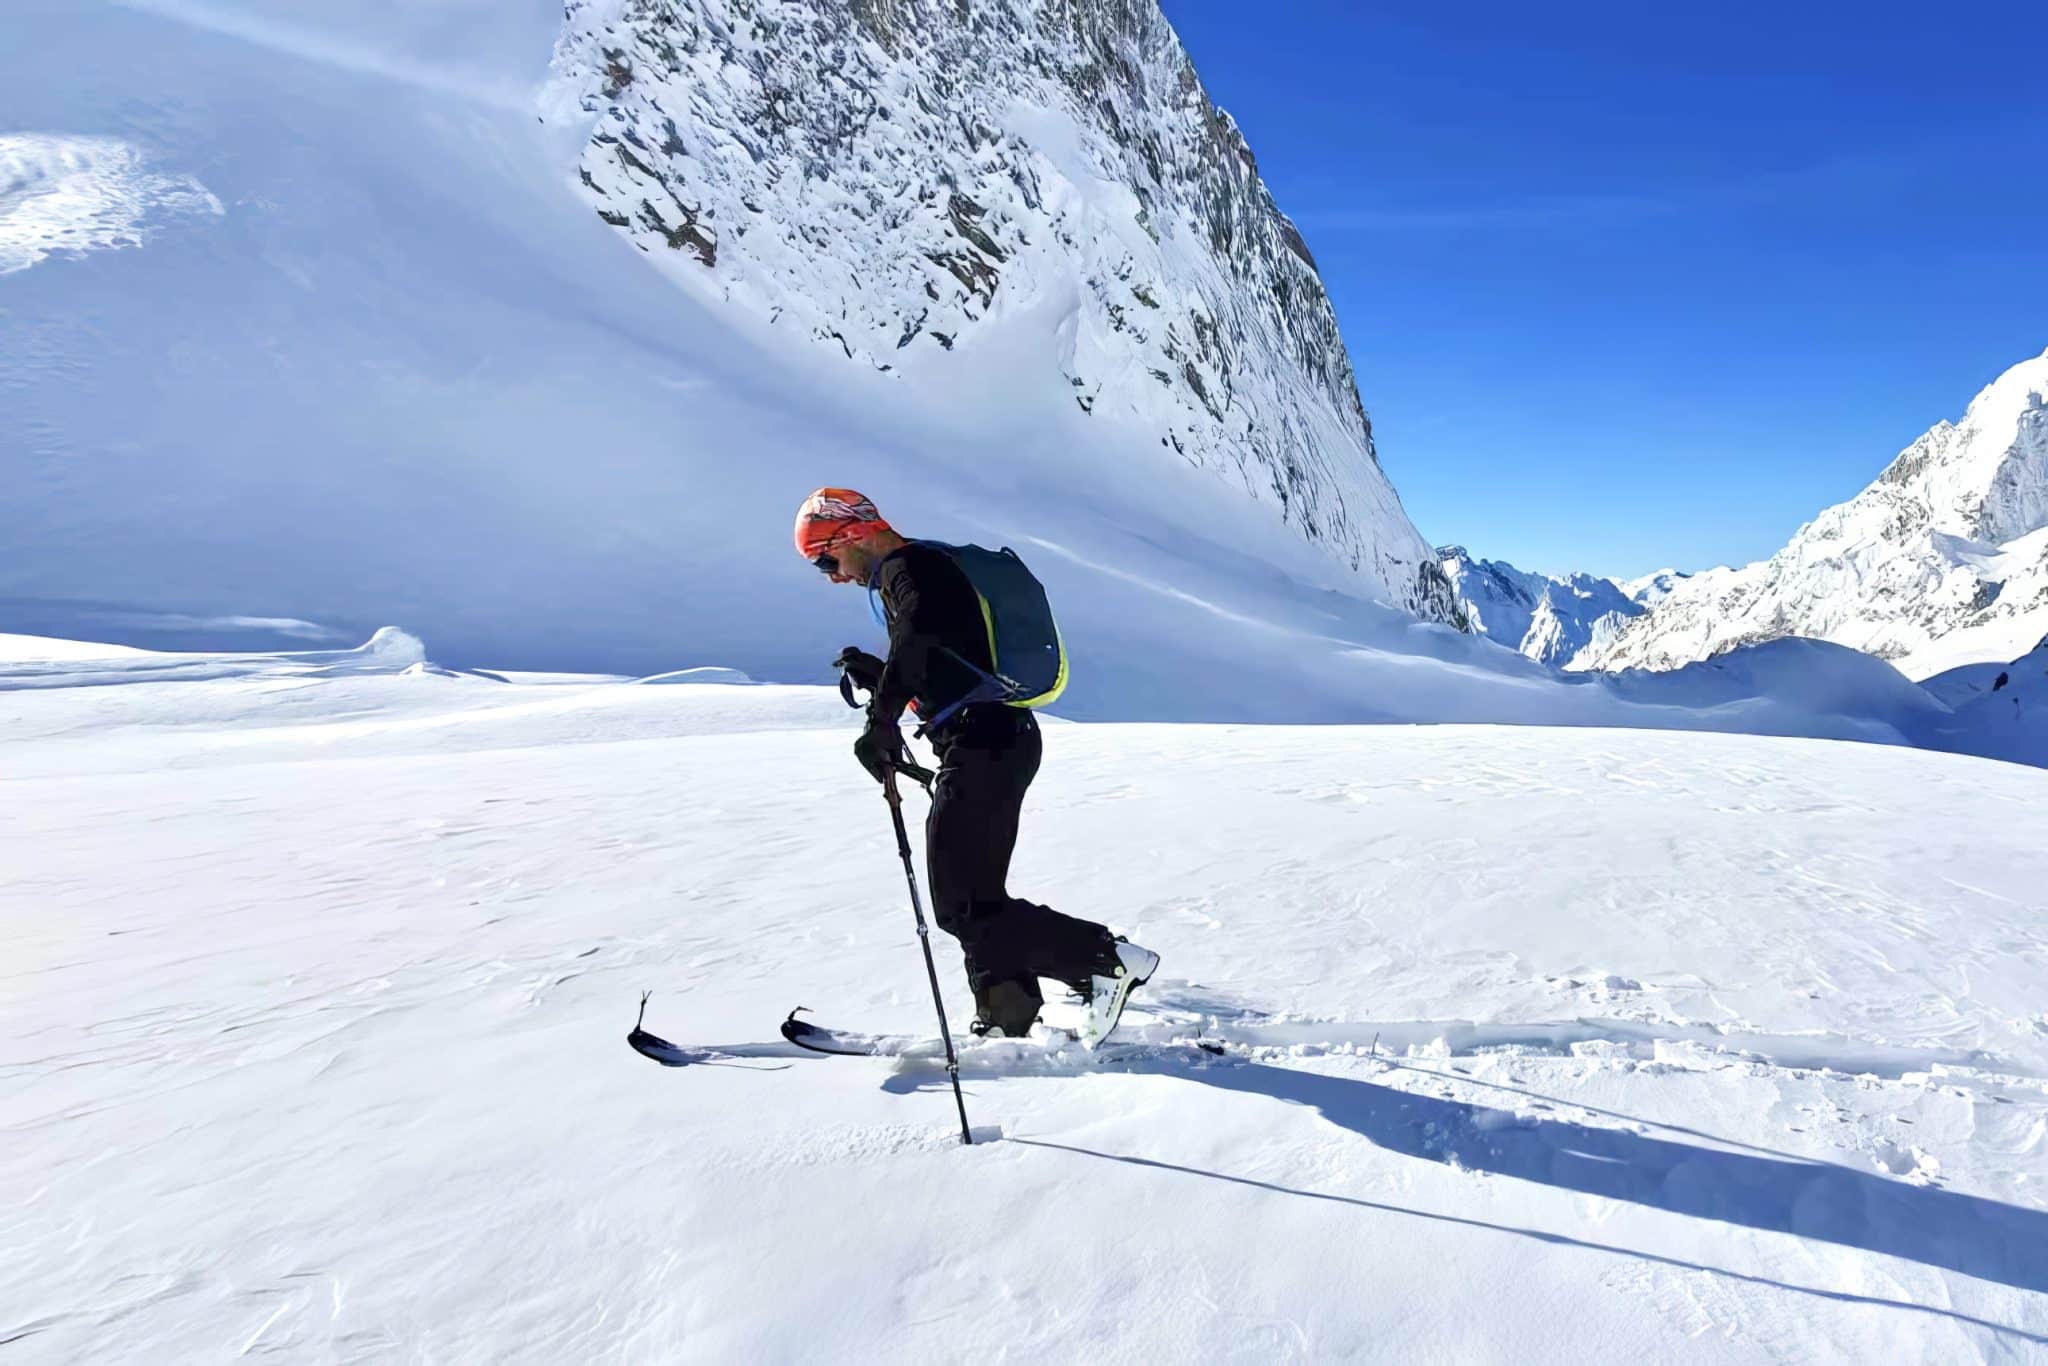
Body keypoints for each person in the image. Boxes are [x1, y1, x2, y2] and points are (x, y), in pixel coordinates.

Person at [792, 487, 1159, 1045]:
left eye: (826, 559)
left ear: (854, 533)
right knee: (977, 898)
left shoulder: (905, 566)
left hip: (984, 744)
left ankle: (1106, 960)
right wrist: (882, 680)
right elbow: (941, 659)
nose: (831, 576)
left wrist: (884, 720)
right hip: (994, 738)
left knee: (960, 905)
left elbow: (918, 636)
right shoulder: (924, 568)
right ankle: (1007, 1018)